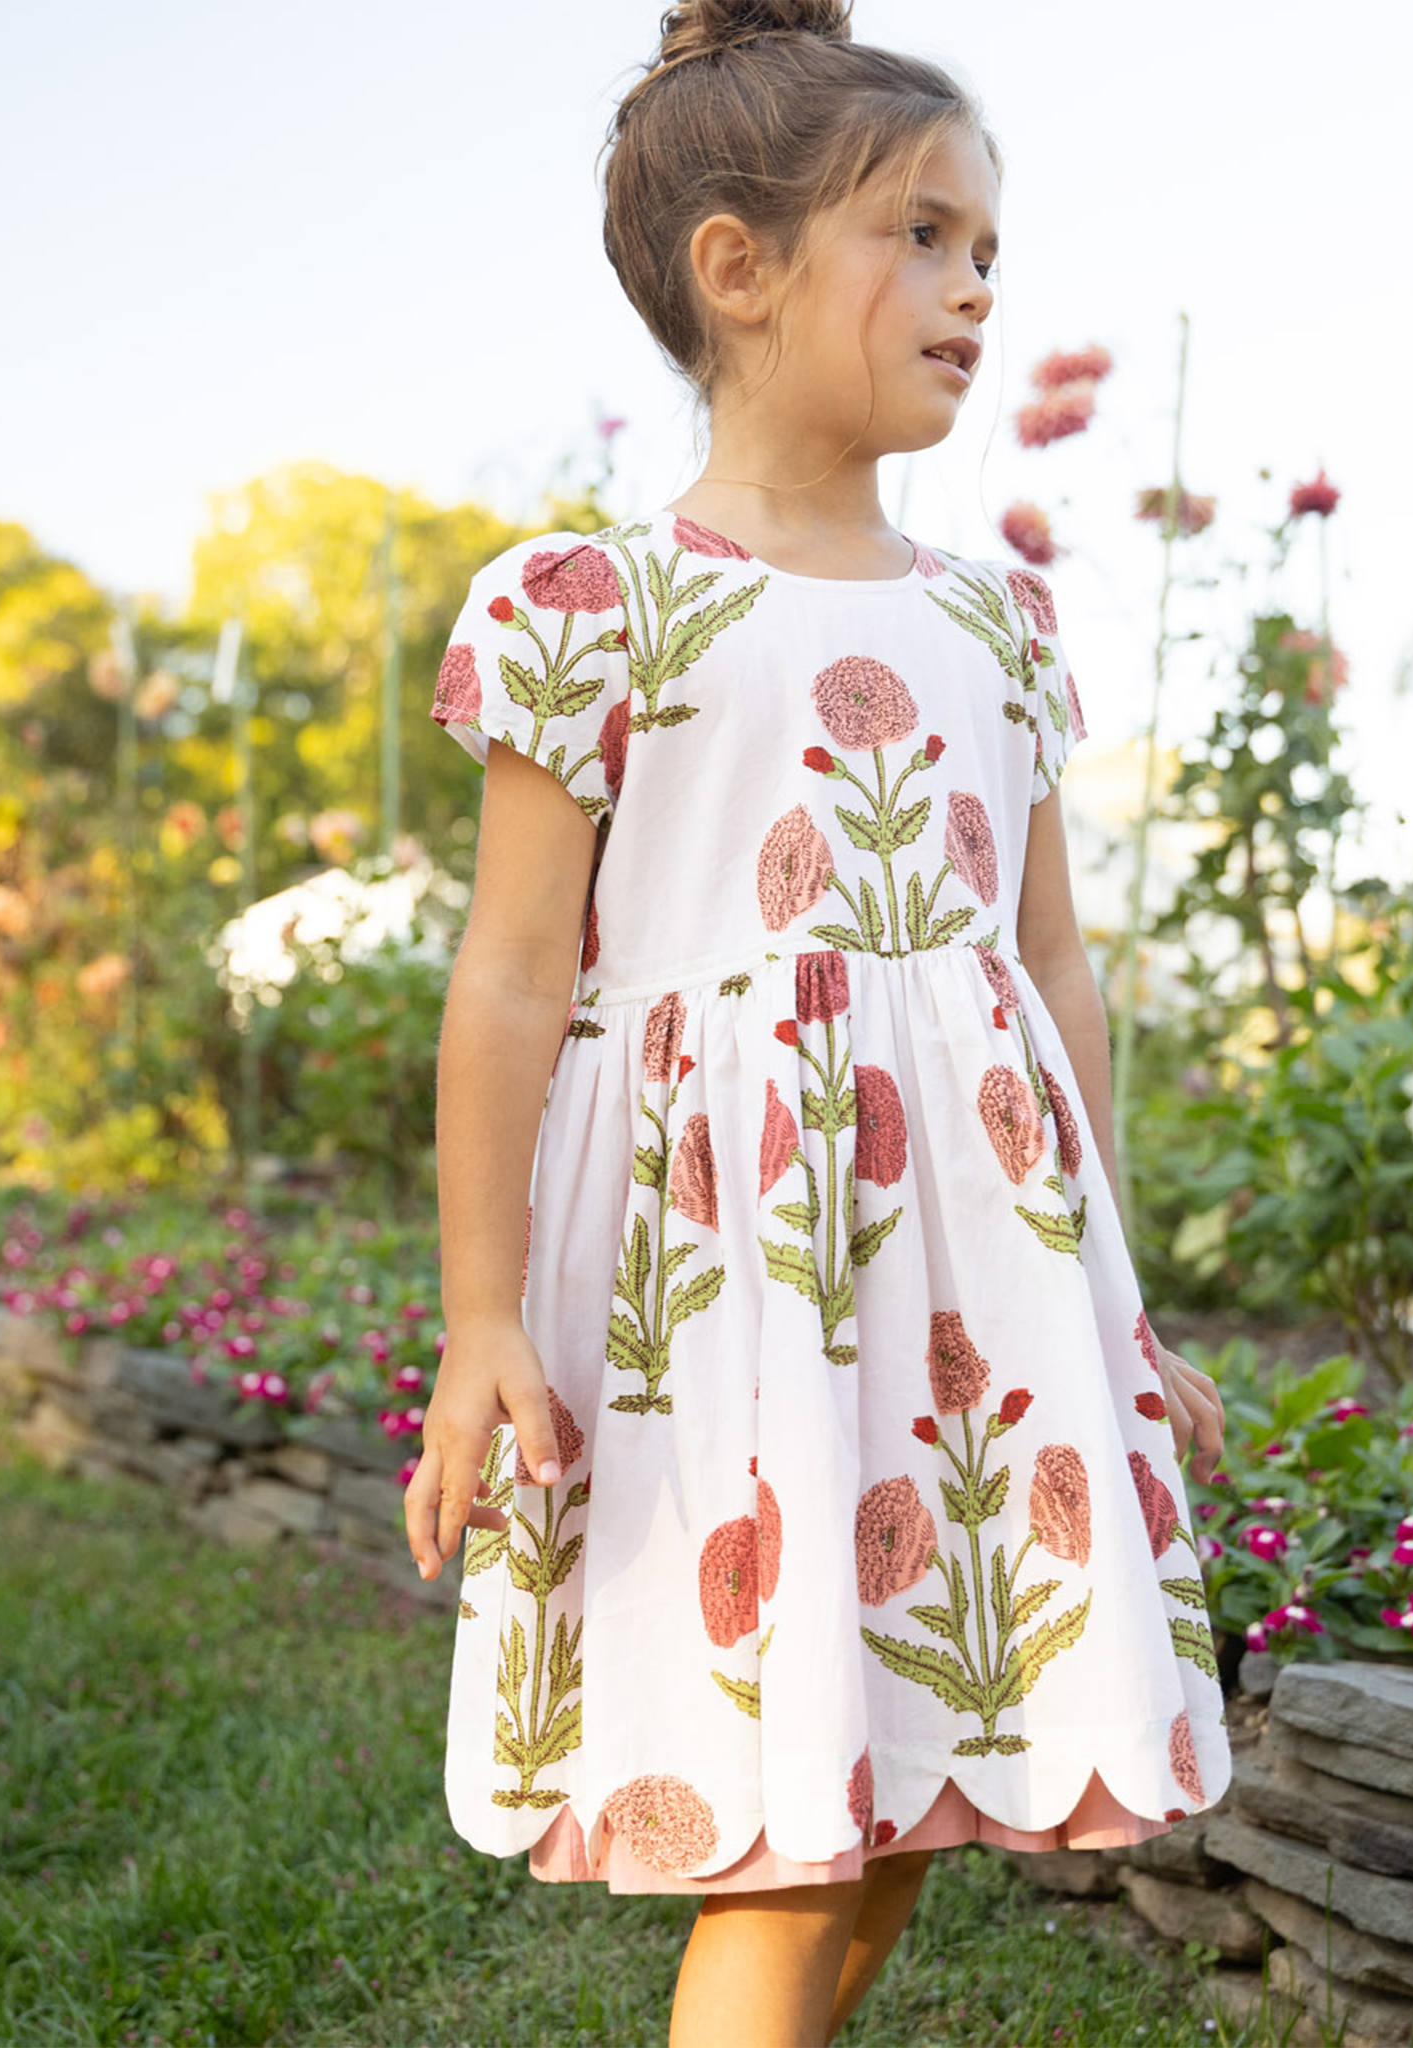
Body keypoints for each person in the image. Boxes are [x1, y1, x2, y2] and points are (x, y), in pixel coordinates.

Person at [404, 3, 1231, 2040]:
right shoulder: (591, 605)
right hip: (728, 1294)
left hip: (966, 1295)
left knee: (901, 1814)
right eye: (921, 235)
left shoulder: (994, 620)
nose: (973, 289)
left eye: (987, 251)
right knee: (782, 1863)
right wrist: (483, 1316)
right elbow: (509, 975)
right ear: (739, 269)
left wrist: (1109, 1305)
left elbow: (1046, 971)